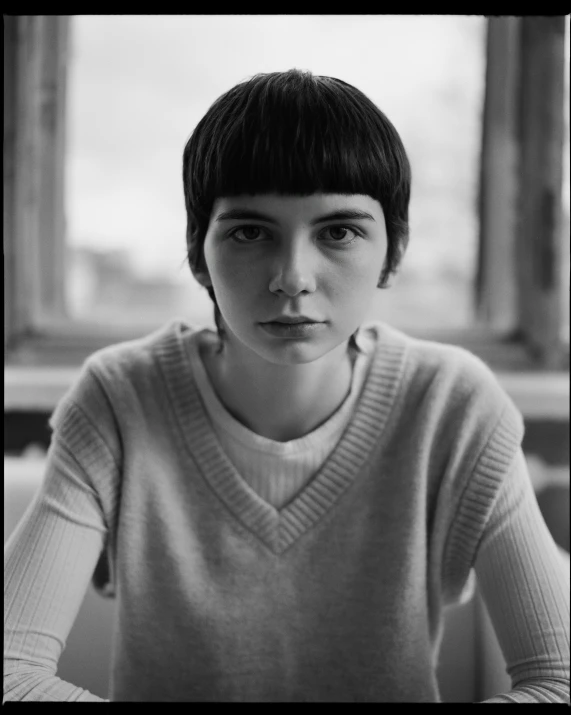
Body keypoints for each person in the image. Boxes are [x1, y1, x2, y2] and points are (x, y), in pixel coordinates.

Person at [4, 69, 569, 703]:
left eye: (339, 231)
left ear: (393, 251)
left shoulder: (454, 405)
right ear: (197, 253)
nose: (293, 277)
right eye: (250, 232)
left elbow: (560, 678)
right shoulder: (117, 399)